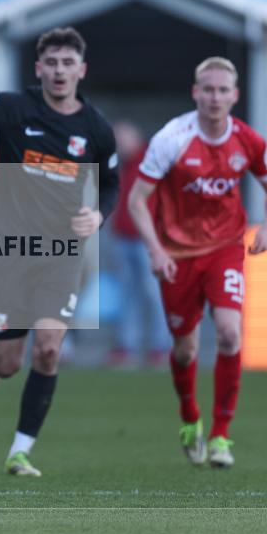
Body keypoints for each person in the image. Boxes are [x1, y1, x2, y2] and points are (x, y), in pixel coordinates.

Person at [0, 28, 119, 477]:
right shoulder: (15, 108)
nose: (59, 71)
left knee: (50, 350)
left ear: (81, 69)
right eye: (51, 63)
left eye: (67, 63)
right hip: (13, 249)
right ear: (39, 69)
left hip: (62, 252)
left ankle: (20, 451)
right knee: (11, 360)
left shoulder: (94, 128)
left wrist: (98, 216)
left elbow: (112, 182)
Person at [127, 57, 267, 469]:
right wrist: (155, 250)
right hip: (176, 255)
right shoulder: (171, 139)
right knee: (185, 350)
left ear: (235, 96)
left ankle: (221, 436)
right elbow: (137, 200)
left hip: (226, 248)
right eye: (208, 90)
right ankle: (189, 418)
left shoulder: (248, 141)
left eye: (223, 91)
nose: (215, 98)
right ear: (195, 92)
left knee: (230, 334)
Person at [107, 120, 171, 368]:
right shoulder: (120, 165)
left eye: (122, 138)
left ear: (135, 138)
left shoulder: (152, 161)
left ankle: (160, 346)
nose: (119, 144)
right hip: (123, 238)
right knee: (127, 295)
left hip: (147, 241)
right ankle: (127, 345)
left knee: (153, 293)